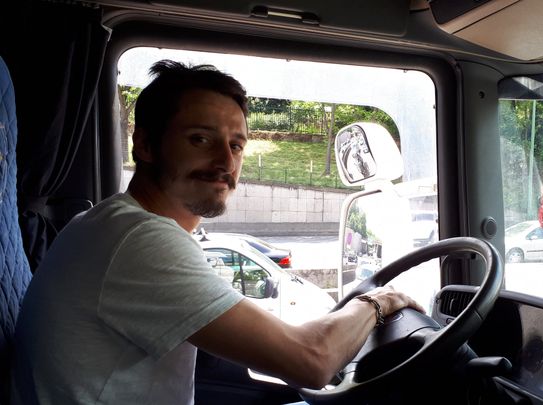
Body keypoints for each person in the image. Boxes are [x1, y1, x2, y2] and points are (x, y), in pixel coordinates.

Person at [11, 60, 422, 404]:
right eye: (201, 139)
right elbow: (311, 361)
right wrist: (379, 300)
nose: (226, 161)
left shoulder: (111, 224)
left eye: (237, 145)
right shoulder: (138, 239)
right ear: (146, 146)